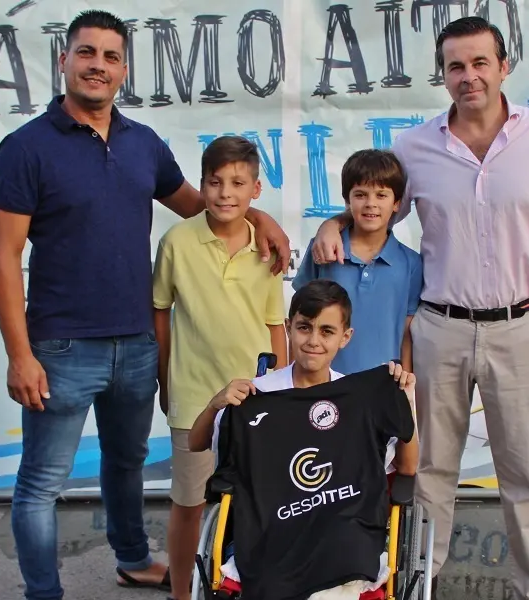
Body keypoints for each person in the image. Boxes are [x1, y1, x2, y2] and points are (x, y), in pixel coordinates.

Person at [0, 10, 290, 600]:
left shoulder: (142, 144)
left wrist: (261, 214)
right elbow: (4, 258)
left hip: (136, 344)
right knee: (42, 484)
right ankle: (42, 593)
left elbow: (200, 207)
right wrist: (20, 355)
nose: (98, 65)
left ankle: (131, 560)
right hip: (61, 346)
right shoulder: (26, 148)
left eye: (110, 56)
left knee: (126, 463)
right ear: (64, 60)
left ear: (123, 68)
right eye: (86, 53)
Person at [309, 16, 529, 600]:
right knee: (430, 471)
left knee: (525, 476)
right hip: (439, 329)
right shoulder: (415, 147)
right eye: (456, 66)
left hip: (519, 327)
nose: (469, 76)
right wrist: (333, 222)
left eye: (480, 63)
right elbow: (378, 206)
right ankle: (417, 584)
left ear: (503, 66)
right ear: (443, 75)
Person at [188, 279, 418, 599]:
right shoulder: (260, 394)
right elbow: (195, 444)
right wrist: (216, 403)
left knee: (344, 546)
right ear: (288, 328)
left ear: (345, 337)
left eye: (327, 331)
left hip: (341, 525)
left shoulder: (360, 399)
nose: (313, 340)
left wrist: (403, 402)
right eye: (304, 327)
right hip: (273, 526)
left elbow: (407, 468)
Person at [151, 134, 289, 600]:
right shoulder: (177, 242)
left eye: (237, 183)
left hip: (257, 400)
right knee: (189, 502)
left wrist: (284, 390)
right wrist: (163, 380)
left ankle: (250, 584)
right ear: (203, 186)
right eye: (214, 182)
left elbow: (275, 327)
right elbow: (160, 313)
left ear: (256, 190)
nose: (225, 193)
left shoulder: (268, 250)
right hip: (193, 396)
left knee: (260, 502)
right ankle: (181, 593)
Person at [292, 149, 423, 376]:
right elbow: (299, 319)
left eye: (381, 195)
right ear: (347, 200)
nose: (370, 204)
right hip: (324, 383)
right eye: (360, 195)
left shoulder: (410, 263)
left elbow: (407, 332)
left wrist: (406, 387)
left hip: (382, 385)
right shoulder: (324, 249)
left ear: (396, 203)